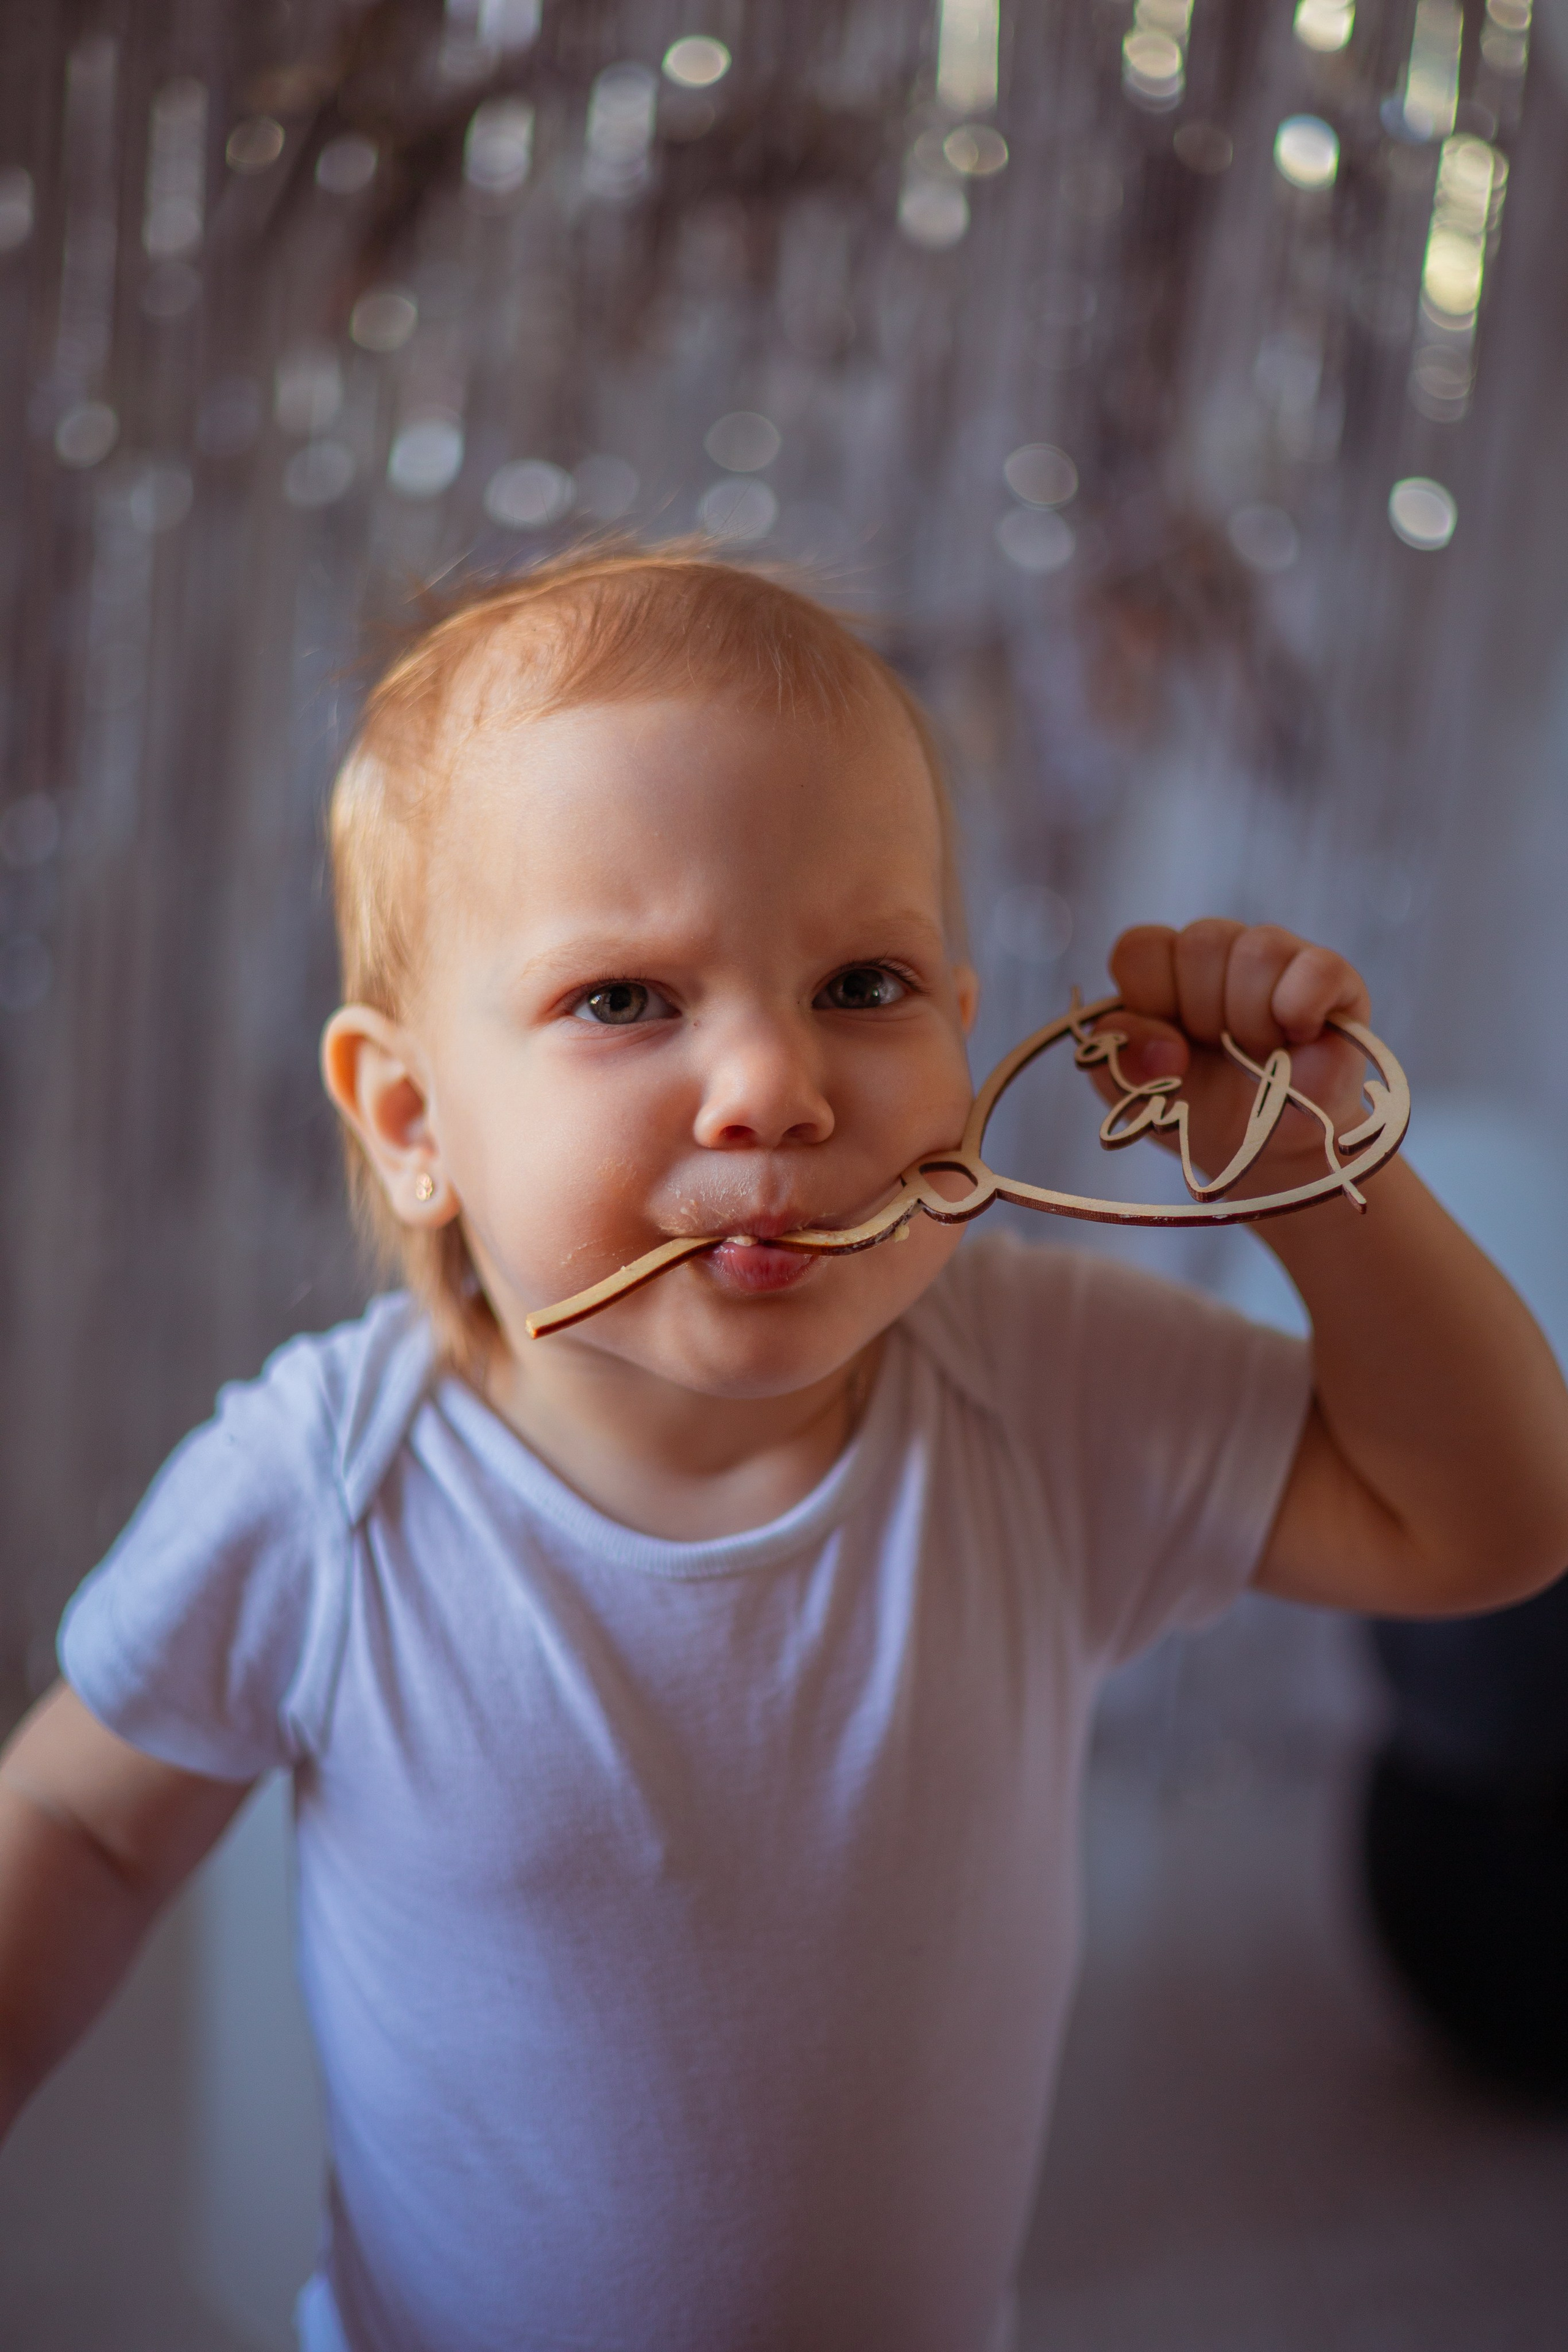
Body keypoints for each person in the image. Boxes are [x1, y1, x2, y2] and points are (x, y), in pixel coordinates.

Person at [2, 549, 1566, 2352]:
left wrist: (1322, 1187)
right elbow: (76, 1824)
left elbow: (1489, 1529)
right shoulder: (323, 1494)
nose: (773, 1083)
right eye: (626, 1001)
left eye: (860, 985)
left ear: (969, 1044)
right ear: (415, 1119)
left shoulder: (1044, 1392)